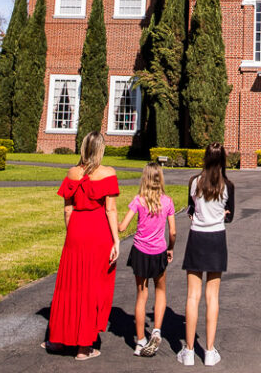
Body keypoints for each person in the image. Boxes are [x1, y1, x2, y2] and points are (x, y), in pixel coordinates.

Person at [45, 131, 120, 360]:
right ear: (100, 150)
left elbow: (67, 209)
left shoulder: (71, 173)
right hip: (98, 231)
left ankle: (58, 339)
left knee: (69, 285)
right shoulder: (108, 173)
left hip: (76, 230)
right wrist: (116, 239)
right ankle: (83, 347)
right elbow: (111, 209)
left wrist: (73, 233)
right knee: (93, 287)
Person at [178, 143, 235, 367]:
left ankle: (189, 351)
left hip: (197, 238)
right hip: (216, 239)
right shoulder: (227, 185)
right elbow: (229, 216)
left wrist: (197, 213)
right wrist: (222, 213)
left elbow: (190, 209)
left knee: (193, 296)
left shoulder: (194, 182)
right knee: (213, 297)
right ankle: (210, 351)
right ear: (222, 161)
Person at [118, 161, 177, 356]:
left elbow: (122, 227)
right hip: (158, 251)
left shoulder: (138, 200)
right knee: (160, 290)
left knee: (141, 295)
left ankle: (140, 341)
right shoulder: (167, 202)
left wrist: (112, 219)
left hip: (140, 252)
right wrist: (171, 248)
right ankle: (157, 330)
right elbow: (173, 231)